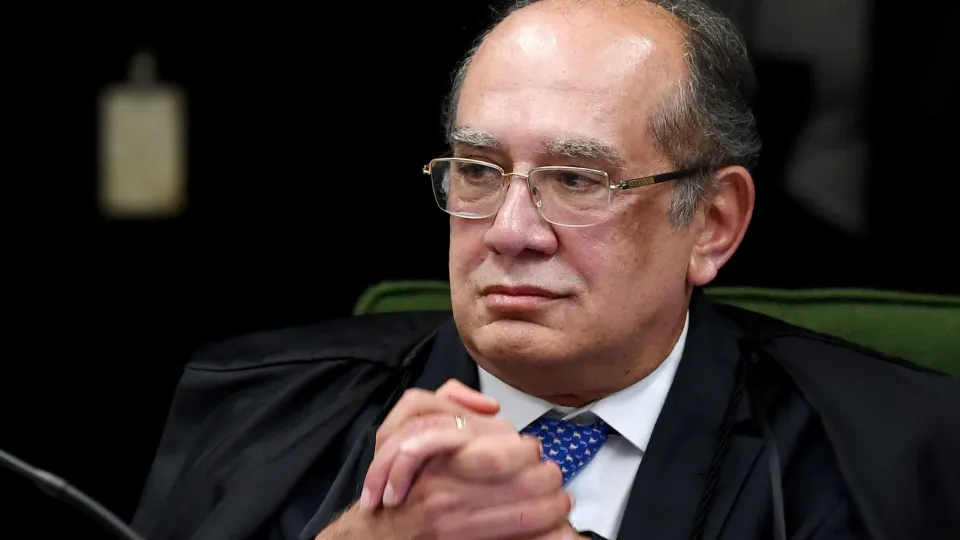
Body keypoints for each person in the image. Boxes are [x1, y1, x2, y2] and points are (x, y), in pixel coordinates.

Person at [130, 1, 959, 539]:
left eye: (577, 180)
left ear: (712, 224)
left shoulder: (904, 455)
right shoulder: (253, 408)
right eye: (479, 171)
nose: (511, 232)